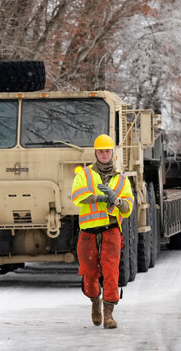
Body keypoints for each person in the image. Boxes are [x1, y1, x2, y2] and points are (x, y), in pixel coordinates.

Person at [70, 134, 134, 329]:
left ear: (112, 153)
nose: (104, 154)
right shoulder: (85, 174)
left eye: (107, 151)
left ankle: (109, 315)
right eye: (101, 151)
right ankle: (95, 303)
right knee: (89, 273)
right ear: (96, 153)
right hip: (88, 233)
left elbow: (128, 207)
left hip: (111, 231)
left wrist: (116, 200)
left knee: (111, 273)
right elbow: (77, 195)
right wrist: (99, 198)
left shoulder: (122, 180)